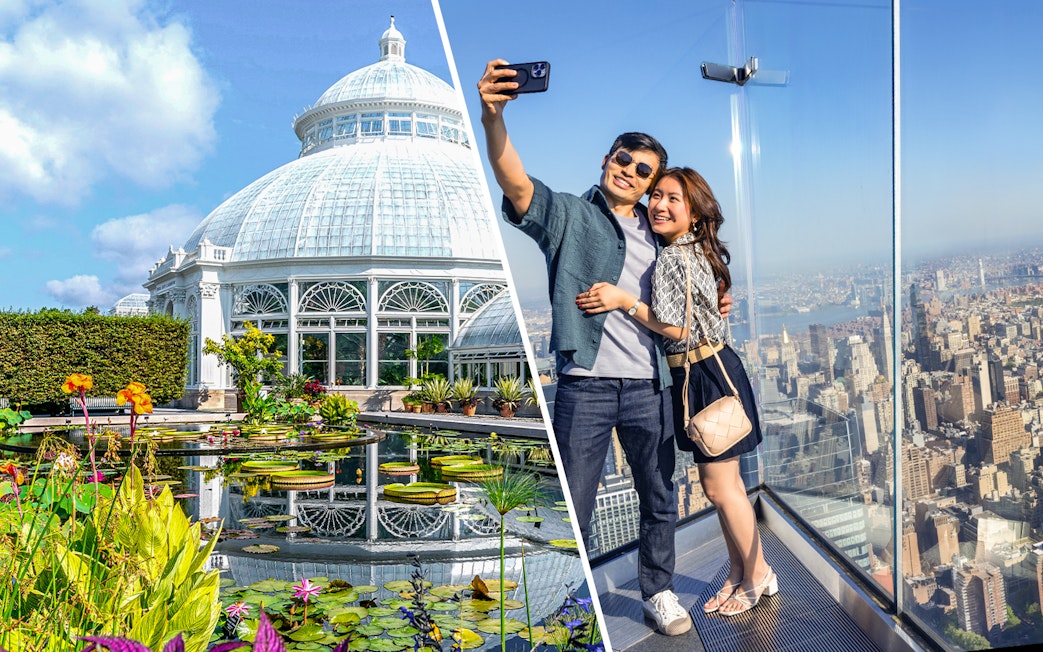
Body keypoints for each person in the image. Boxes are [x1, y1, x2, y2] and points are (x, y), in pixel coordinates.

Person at [477, 59, 720, 636]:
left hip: (649, 385)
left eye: (644, 170)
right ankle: (573, 605)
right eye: (623, 161)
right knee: (576, 507)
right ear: (606, 161)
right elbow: (515, 182)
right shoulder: (569, 216)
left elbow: (697, 275)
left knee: (659, 495)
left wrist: (715, 301)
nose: (632, 174)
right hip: (584, 385)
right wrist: (493, 117)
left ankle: (657, 591)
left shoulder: (661, 230)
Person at [576, 167, 776, 617]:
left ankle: (759, 572)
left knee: (721, 487)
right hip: (709, 368)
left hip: (704, 371)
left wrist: (621, 299)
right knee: (722, 485)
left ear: (695, 215)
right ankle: (739, 570)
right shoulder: (689, 251)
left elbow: (676, 326)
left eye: (673, 200)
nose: (660, 205)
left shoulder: (672, 258)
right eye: (657, 196)